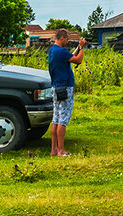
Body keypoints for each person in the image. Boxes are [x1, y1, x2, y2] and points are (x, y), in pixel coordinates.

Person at [47, 28, 85, 157]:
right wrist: (83, 48)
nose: (68, 41)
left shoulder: (52, 50)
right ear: (62, 38)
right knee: (63, 119)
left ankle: (54, 149)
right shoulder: (62, 51)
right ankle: (62, 151)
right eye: (67, 38)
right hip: (65, 87)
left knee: (56, 118)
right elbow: (78, 60)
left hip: (55, 87)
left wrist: (78, 47)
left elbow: (71, 57)